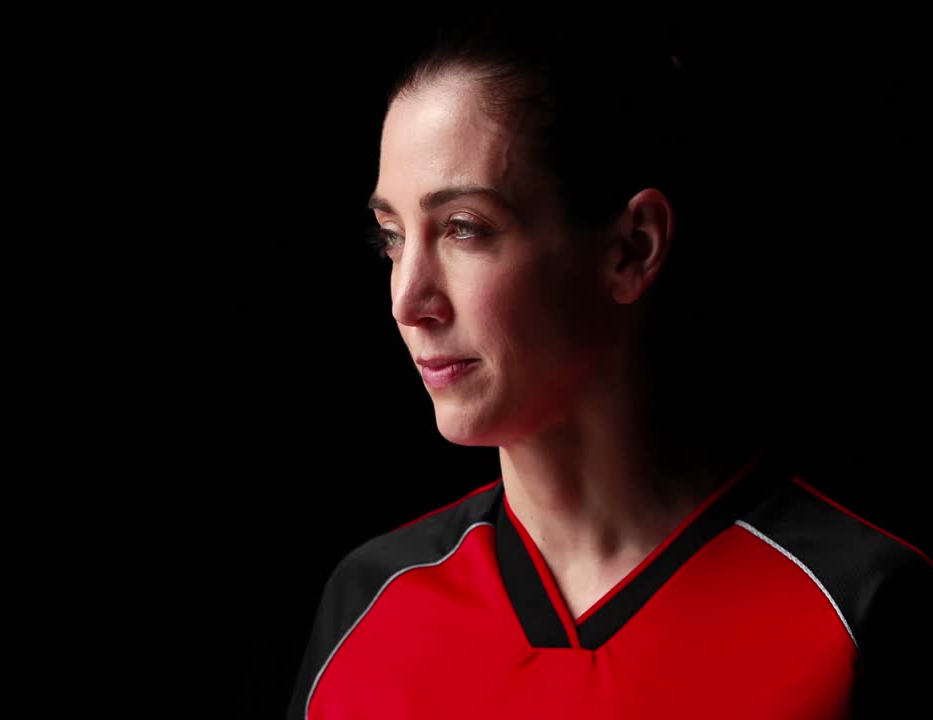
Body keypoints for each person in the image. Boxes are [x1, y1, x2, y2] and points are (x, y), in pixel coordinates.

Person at [287, 25, 932, 720]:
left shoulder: (859, 606)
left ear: (632, 249)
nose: (408, 301)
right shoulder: (367, 603)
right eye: (391, 238)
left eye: (464, 228)